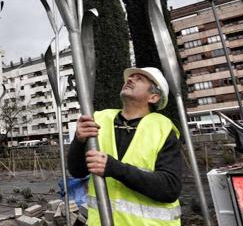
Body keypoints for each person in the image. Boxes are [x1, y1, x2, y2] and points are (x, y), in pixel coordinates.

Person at [67, 67, 182, 226]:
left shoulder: (163, 128)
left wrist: (115, 168)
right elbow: (77, 171)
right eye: (130, 77)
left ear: (153, 97)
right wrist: (78, 142)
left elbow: (170, 188)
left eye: (139, 79)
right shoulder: (99, 119)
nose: (130, 80)